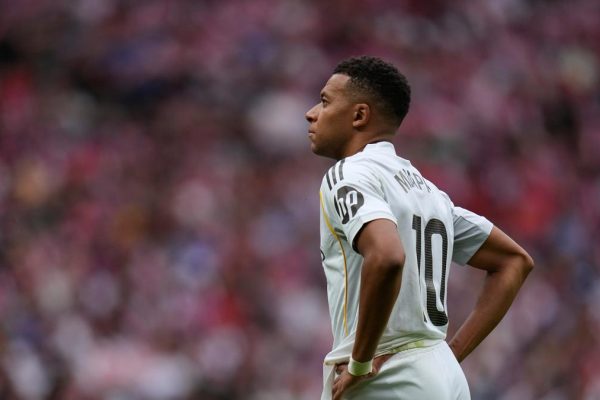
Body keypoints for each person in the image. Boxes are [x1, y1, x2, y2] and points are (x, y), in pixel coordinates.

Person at [305, 56, 534, 400]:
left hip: (389, 378)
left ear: (359, 115)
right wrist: (451, 356)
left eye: (325, 102)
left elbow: (386, 257)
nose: (311, 113)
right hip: (441, 371)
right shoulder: (427, 192)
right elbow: (514, 261)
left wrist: (360, 363)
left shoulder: (348, 174)